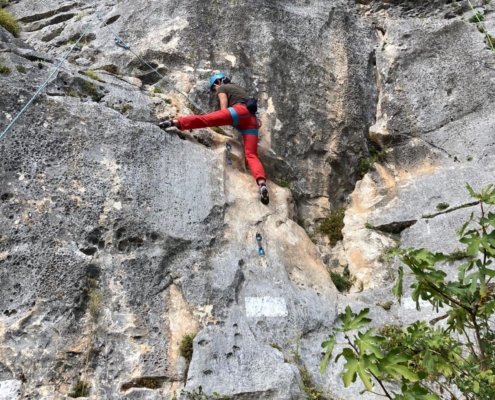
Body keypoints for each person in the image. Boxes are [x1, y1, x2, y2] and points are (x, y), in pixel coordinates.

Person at [159, 72, 269, 205]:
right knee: (251, 155)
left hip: (237, 111)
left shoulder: (222, 88)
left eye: (213, 88)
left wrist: (222, 116)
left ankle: (174, 122)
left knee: (204, 120)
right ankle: (262, 184)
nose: (215, 91)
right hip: (252, 120)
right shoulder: (239, 89)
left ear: (218, 82)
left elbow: (223, 107)